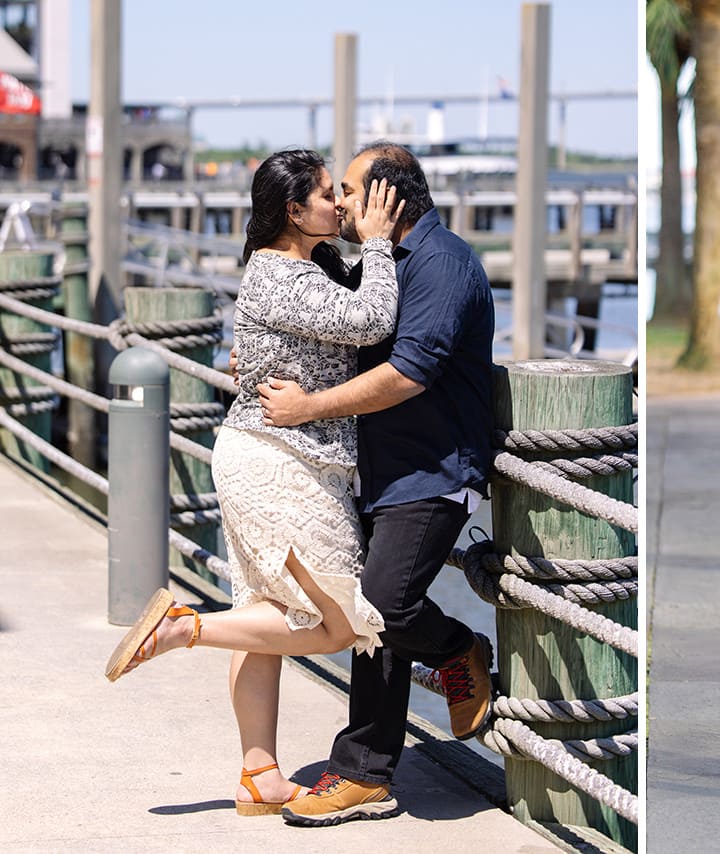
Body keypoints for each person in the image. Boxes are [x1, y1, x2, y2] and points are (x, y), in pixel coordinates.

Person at [104, 148, 405, 816]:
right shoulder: (281, 274)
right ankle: (183, 629)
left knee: (261, 617)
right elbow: (370, 320)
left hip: (265, 455)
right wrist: (381, 243)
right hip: (282, 462)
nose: (340, 203)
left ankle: (259, 776)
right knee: (338, 622)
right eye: (326, 195)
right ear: (294, 211)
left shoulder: (300, 265)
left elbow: (325, 319)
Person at [254, 141, 496, 828]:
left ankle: (457, 649)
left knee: (383, 606)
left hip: (433, 470)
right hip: (379, 470)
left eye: (352, 191)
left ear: (389, 196)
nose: (341, 203)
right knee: (368, 620)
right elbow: (340, 337)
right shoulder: (386, 261)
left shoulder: (443, 264)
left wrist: (307, 408)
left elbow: (408, 373)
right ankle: (365, 772)